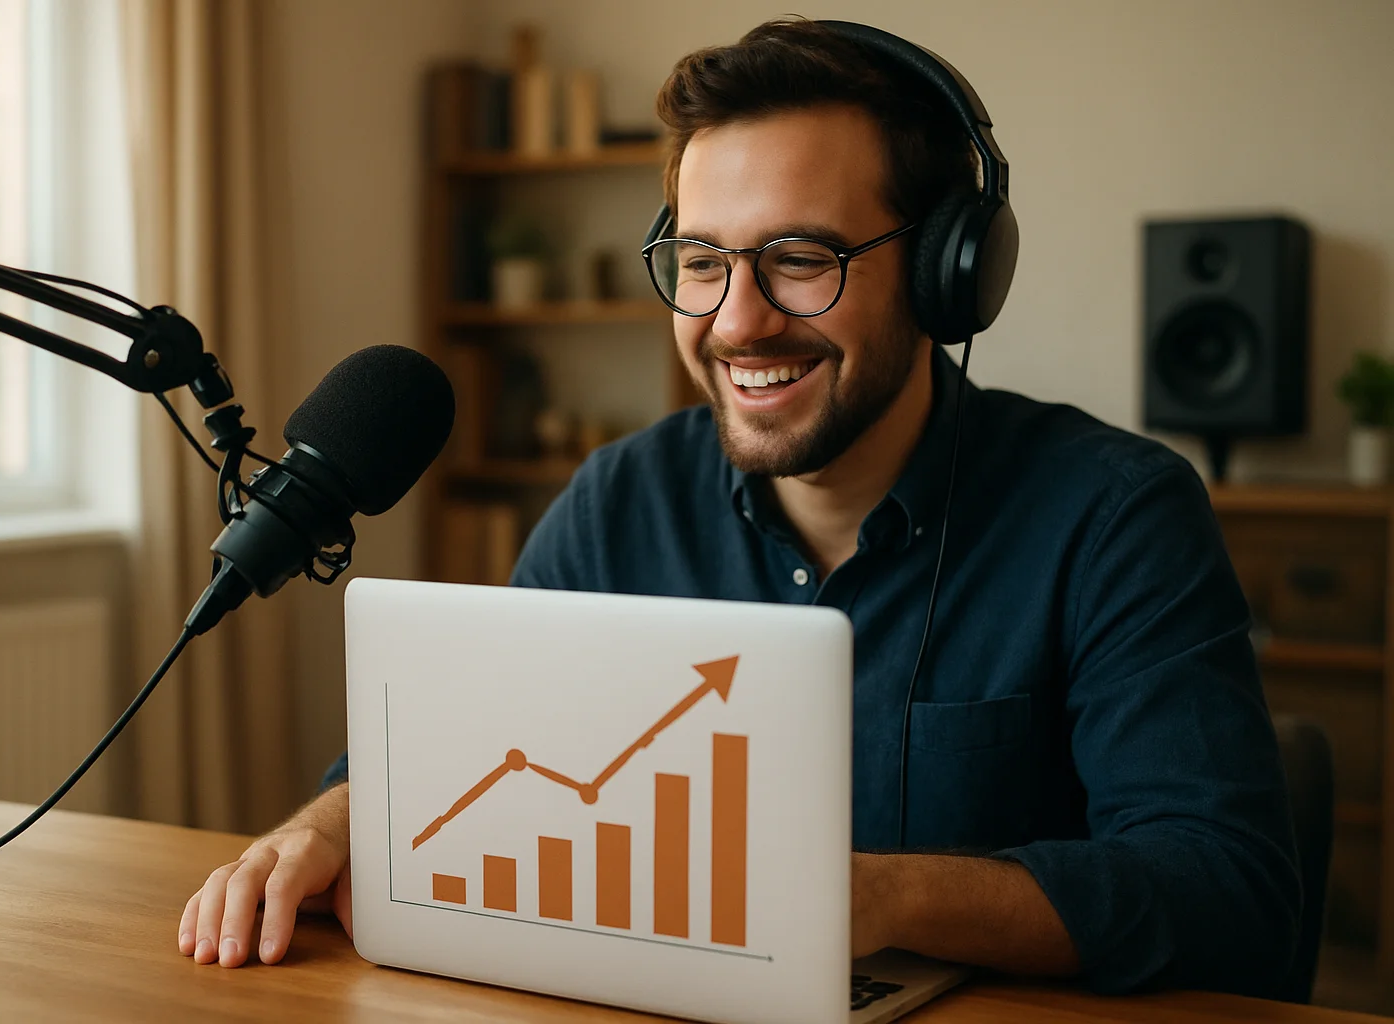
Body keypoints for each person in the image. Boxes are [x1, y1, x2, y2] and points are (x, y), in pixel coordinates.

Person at [179, 18, 1300, 998]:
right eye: (702, 260)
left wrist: (876, 899)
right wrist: (334, 822)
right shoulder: (619, 500)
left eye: (801, 258)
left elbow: (1228, 890)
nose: (736, 321)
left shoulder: (1115, 515)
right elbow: (480, 764)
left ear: (947, 270)